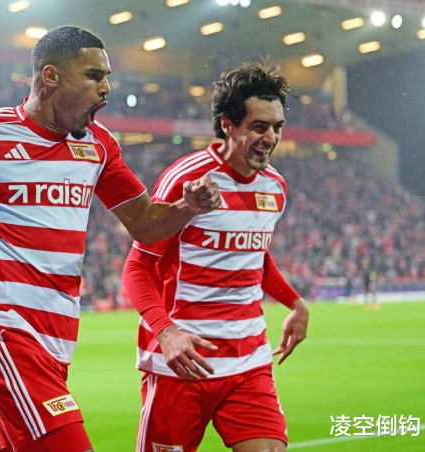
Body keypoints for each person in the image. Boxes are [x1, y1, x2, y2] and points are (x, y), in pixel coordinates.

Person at [0, 26, 221, 452]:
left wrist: (187, 208)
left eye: (107, 77)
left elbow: (144, 223)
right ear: (51, 76)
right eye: (94, 75)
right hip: (1, 334)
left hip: (56, 345)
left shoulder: (99, 146)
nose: (106, 89)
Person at [122, 61, 309, 452]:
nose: (271, 138)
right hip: (183, 361)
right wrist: (166, 333)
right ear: (228, 125)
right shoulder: (186, 180)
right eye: (259, 127)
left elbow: (254, 257)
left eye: (277, 127)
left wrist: (295, 302)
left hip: (248, 360)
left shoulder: (274, 186)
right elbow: (137, 267)